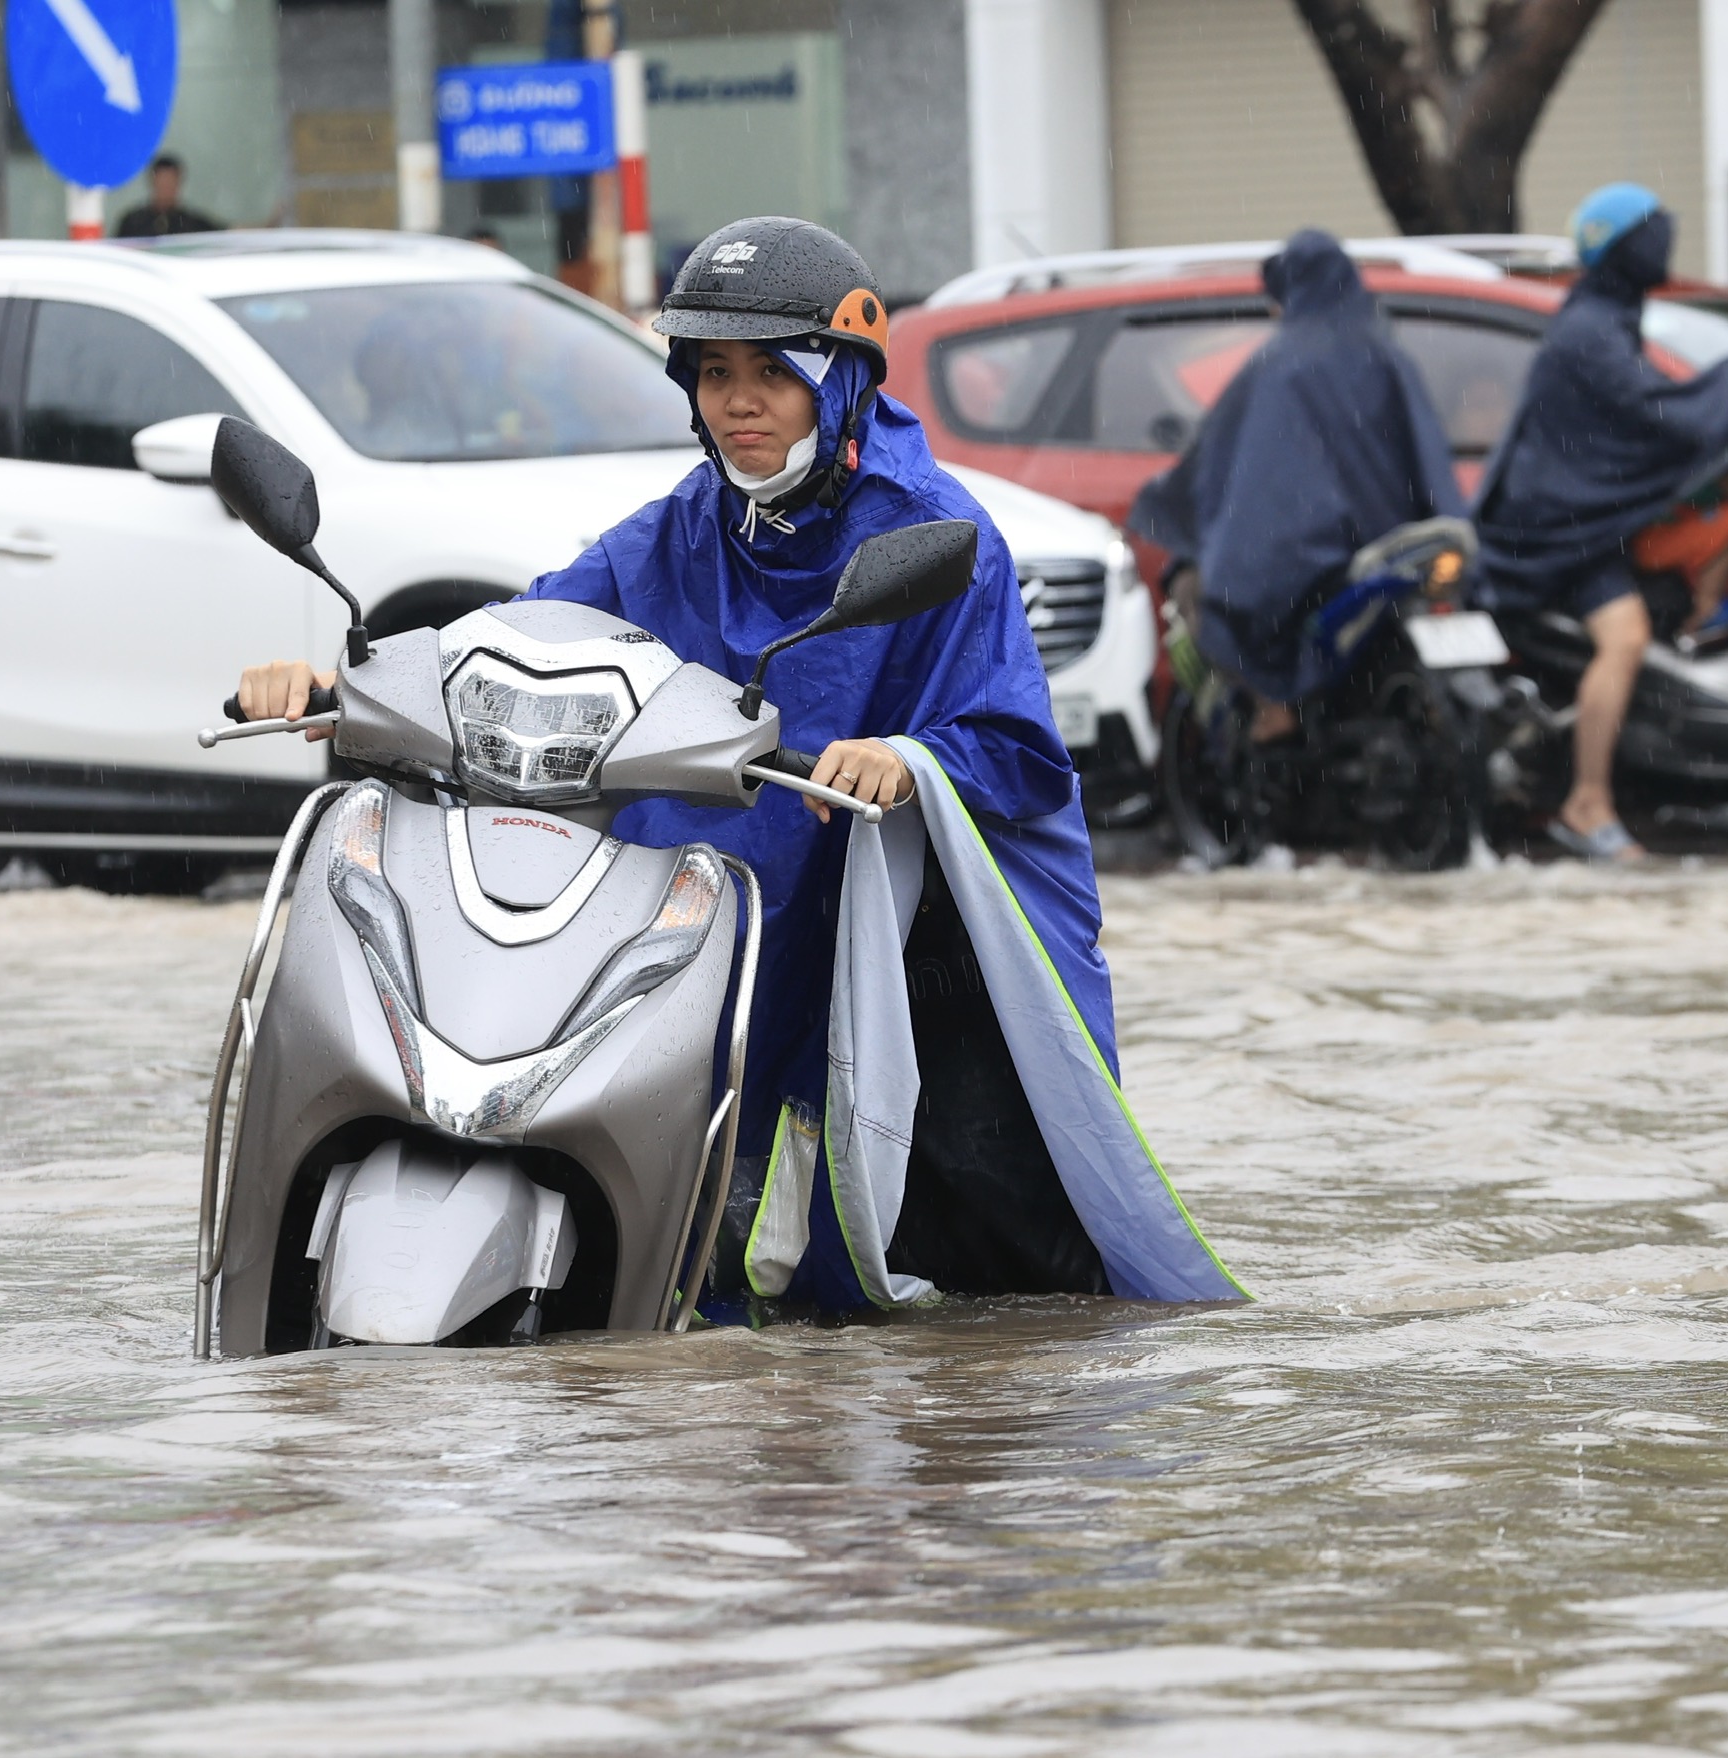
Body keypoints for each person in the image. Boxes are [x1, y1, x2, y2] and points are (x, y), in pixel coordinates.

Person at [236, 215, 1244, 1312]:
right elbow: (520, 637)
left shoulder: (937, 534)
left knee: (940, 1288)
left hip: (880, 928)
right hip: (697, 908)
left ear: (841, 380)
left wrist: (906, 760)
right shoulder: (682, 525)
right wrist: (345, 685)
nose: (738, 402)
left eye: (772, 372)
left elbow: (1016, 750)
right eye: (714, 373)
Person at [1473, 184, 1728, 864]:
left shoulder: (1610, 318)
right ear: (1627, 247)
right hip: (1556, 530)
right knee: (1625, 637)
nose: (1666, 246)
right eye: (1655, 234)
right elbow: (1656, 414)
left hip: (1583, 520)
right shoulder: (1591, 331)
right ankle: (1587, 803)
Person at [1131, 228, 1463, 741]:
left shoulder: (1279, 363)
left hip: (1307, 559)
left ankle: (1272, 706)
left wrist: (1170, 505)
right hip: (1391, 548)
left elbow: (1230, 468)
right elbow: (1426, 456)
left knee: (1209, 592)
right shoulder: (1386, 354)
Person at [114, 154, 223, 239]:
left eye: (170, 183)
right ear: (152, 182)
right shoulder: (132, 223)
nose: (166, 189)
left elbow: (222, 237)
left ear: (179, 183)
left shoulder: (194, 224)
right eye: (162, 183)